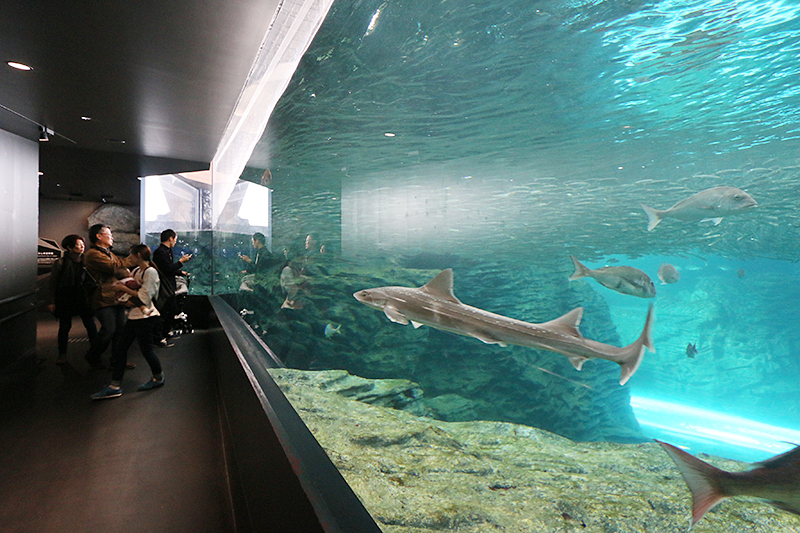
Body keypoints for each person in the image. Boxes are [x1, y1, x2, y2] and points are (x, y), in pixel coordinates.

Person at [91, 244, 165, 400]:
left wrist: (123, 289)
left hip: (146, 317)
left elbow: (144, 297)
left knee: (145, 349)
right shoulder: (137, 271)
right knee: (122, 349)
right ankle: (115, 385)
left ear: (138, 255)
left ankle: (156, 378)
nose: (128, 259)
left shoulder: (150, 272)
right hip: (135, 316)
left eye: (130, 256)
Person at [83, 224, 133, 369]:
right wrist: (132, 259)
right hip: (103, 298)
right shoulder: (93, 254)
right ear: (99, 236)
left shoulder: (108, 253)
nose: (112, 238)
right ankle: (92, 355)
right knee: (109, 330)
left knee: (120, 331)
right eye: (109, 235)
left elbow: (120, 267)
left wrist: (124, 266)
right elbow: (116, 268)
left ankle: (117, 361)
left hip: (115, 297)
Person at [48, 234, 98, 365]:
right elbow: (53, 283)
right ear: (69, 247)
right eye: (78, 244)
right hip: (66, 297)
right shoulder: (61, 263)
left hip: (82, 296)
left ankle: (95, 352)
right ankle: (62, 354)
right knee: (65, 326)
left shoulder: (86, 261)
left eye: (83, 244)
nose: (82, 247)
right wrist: (52, 301)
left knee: (90, 325)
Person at [152, 229, 191, 343]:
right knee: (163, 310)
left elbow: (168, 268)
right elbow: (167, 269)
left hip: (170, 284)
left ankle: (166, 332)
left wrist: (180, 272)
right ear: (170, 238)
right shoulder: (161, 252)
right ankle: (158, 337)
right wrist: (180, 262)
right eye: (175, 239)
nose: (175, 242)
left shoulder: (168, 251)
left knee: (170, 309)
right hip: (165, 286)